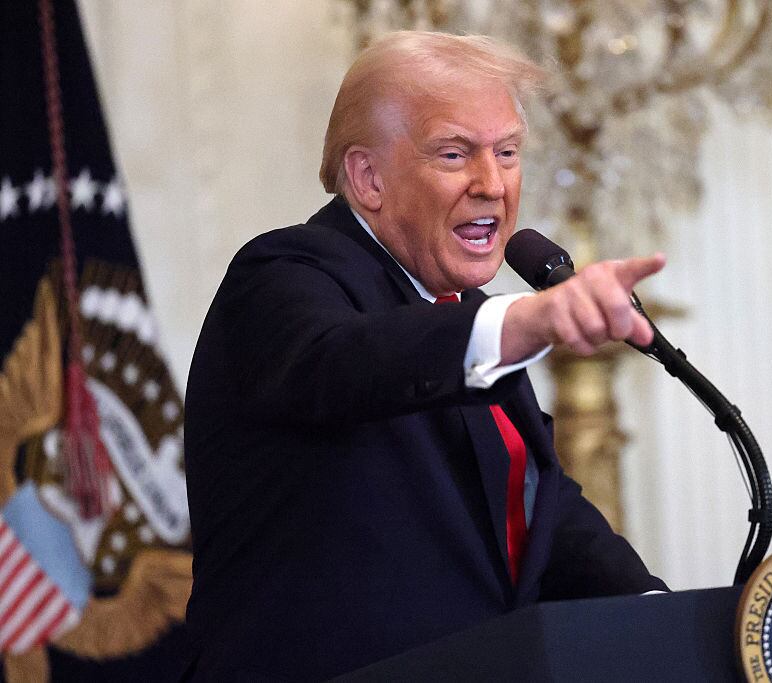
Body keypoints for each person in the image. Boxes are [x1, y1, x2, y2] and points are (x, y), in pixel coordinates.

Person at [183, 31, 668, 680]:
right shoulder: (282, 275)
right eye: (453, 153)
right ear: (367, 176)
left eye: (507, 152)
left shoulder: (463, 313)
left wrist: (658, 614)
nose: (492, 184)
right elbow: (349, 363)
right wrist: (530, 319)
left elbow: (535, 510)